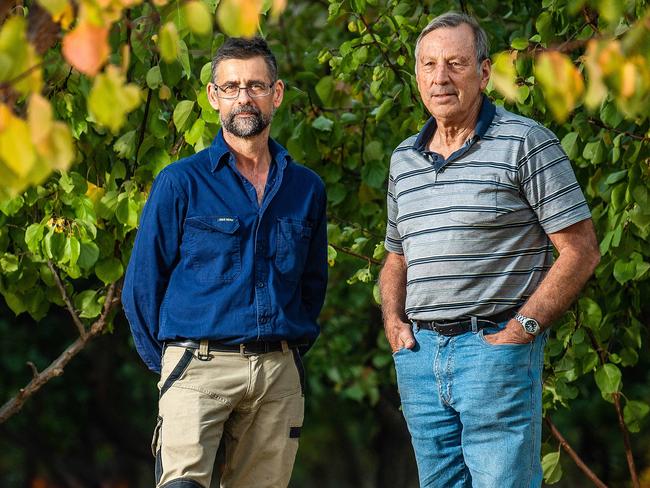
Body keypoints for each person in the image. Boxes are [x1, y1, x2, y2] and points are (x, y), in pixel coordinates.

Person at [379, 12, 600, 488]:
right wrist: (395, 326)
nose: (441, 77)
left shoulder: (526, 142)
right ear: (416, 73)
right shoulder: (403, 160)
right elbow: (397, 255)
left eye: (456, 63)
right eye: (429, 65)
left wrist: (523, 328)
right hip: (420, 357)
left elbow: (580, 249)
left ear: (483, 73)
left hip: (493, 351)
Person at [122, 36, 328, 488]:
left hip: (277, 374)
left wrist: (286, 353)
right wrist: (174, 365)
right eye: (231, 87)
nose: (244, 98)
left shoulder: (306, 188)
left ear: (276, 94)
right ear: (214, 97)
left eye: (255, 86)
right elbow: (141, 287)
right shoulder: (180, 183)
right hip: (198, 363)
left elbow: (312, 286)